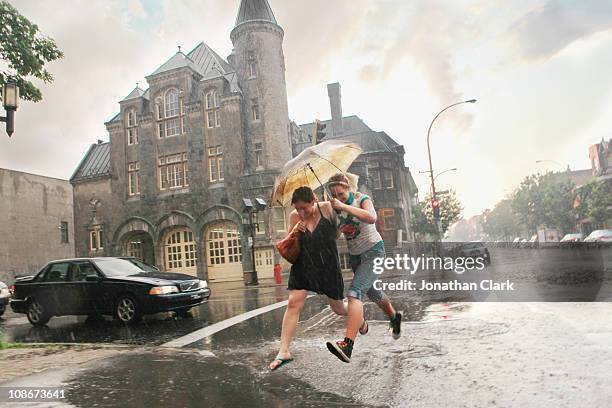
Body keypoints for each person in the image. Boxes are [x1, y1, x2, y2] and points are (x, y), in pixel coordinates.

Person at [325, 173, 402, 363]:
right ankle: (394, 317)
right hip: (355, 257)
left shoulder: (361, 200)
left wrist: (344, 207)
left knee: (354, 293)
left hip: (374, 252)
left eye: (341, 194)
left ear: (348, 189)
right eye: (334, 195)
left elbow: (372, 217)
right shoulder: (335, 209)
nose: (338, 197)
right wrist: (334, 223)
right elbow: (335, 235)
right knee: (374, 293)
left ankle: (347, 345)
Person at [269, 186, 347, 370]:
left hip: (327, 264)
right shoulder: (295, 217)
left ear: (314, 201)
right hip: (304, 264)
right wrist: (296, 229)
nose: (301, 212)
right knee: (293, 303)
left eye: (305, 207)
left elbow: (338, 234)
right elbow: (289, 240)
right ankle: (284, 351)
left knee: (339, 309)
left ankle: (358, 318)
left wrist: (338, 214)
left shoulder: (328, 208)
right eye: (298, 208)